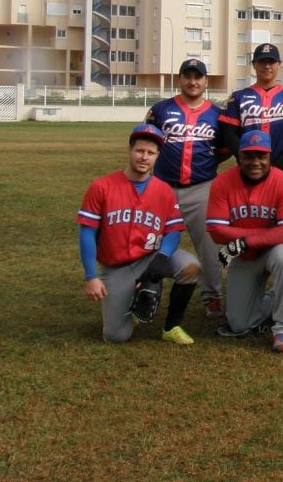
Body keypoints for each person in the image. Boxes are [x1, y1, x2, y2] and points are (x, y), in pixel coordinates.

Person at [77, 124, 200, 345]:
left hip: (151, 256)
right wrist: (91, 277)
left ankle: (171, 326)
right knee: (115, 336)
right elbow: (87, 232)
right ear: (129, 151)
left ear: (157, 156)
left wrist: (162, 257)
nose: (144, 157)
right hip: (117, 266)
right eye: (139, 151)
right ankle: (136, 305)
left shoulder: (163, 190)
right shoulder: (102, 187)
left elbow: (173, 231)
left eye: (150, 153)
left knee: (190, 266)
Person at [144, 57, 228, 319]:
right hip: (162, 187)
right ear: (179, 79)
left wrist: (205, 163)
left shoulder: (218, 115)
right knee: (149, 239)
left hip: (201, 187)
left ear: (205, 81)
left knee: (209, 245)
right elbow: (146, 143)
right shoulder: (160, 110)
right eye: (187, 76)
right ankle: (146, 287)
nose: (193, 82)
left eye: (198, 77)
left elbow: (224, 149)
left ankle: (212, 296)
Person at [206, 130, 283, 353]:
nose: (255, 162)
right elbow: (216, 230)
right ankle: (275, 297)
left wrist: (245, 240)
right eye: (249, 156)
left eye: (262, 156)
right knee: (240, 323)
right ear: (239, 156)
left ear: (270, 157)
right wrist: (254, 240)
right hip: (243, 255)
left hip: (272, 250)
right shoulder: (223, 182)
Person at [219, 43, 283, 176]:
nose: (267, 66)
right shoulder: (238, 97)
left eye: (271, 61)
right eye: (262, 61)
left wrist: (280, 164)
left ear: (279, 64)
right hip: (248, 168)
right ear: (254, 64)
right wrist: (246, 160)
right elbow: (229, 135)